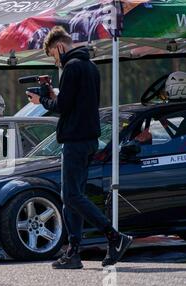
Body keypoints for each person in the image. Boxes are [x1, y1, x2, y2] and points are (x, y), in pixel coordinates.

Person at [27, 26, 133, 269]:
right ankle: (73, 252)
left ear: (60, 47)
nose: (56, 60)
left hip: (75, 140)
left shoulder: (71, 67)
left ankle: (114, 236)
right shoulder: (90, 66)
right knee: (72, 198)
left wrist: (40, 100)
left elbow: (62, 107)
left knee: (71, 195)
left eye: (54, 55)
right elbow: (75, 102)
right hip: (89, 139)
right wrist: (54, 94)